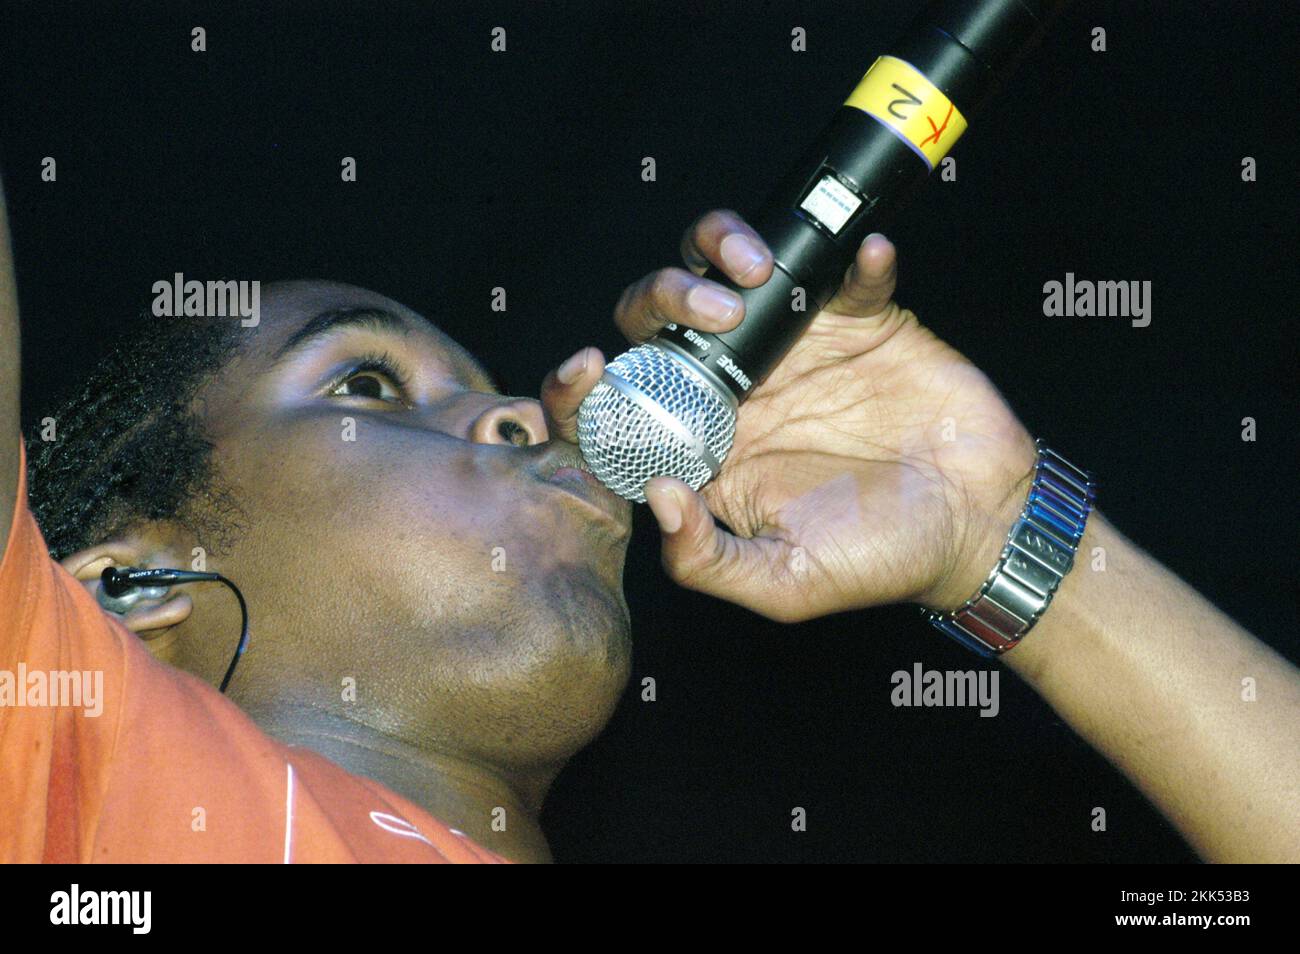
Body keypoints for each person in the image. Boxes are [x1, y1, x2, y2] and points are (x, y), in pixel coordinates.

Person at [1, 181, 1296, 863]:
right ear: (129, 585)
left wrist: (1006, 540)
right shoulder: (71, 771)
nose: (519, 413)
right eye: (366, 384)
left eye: (488, 384)